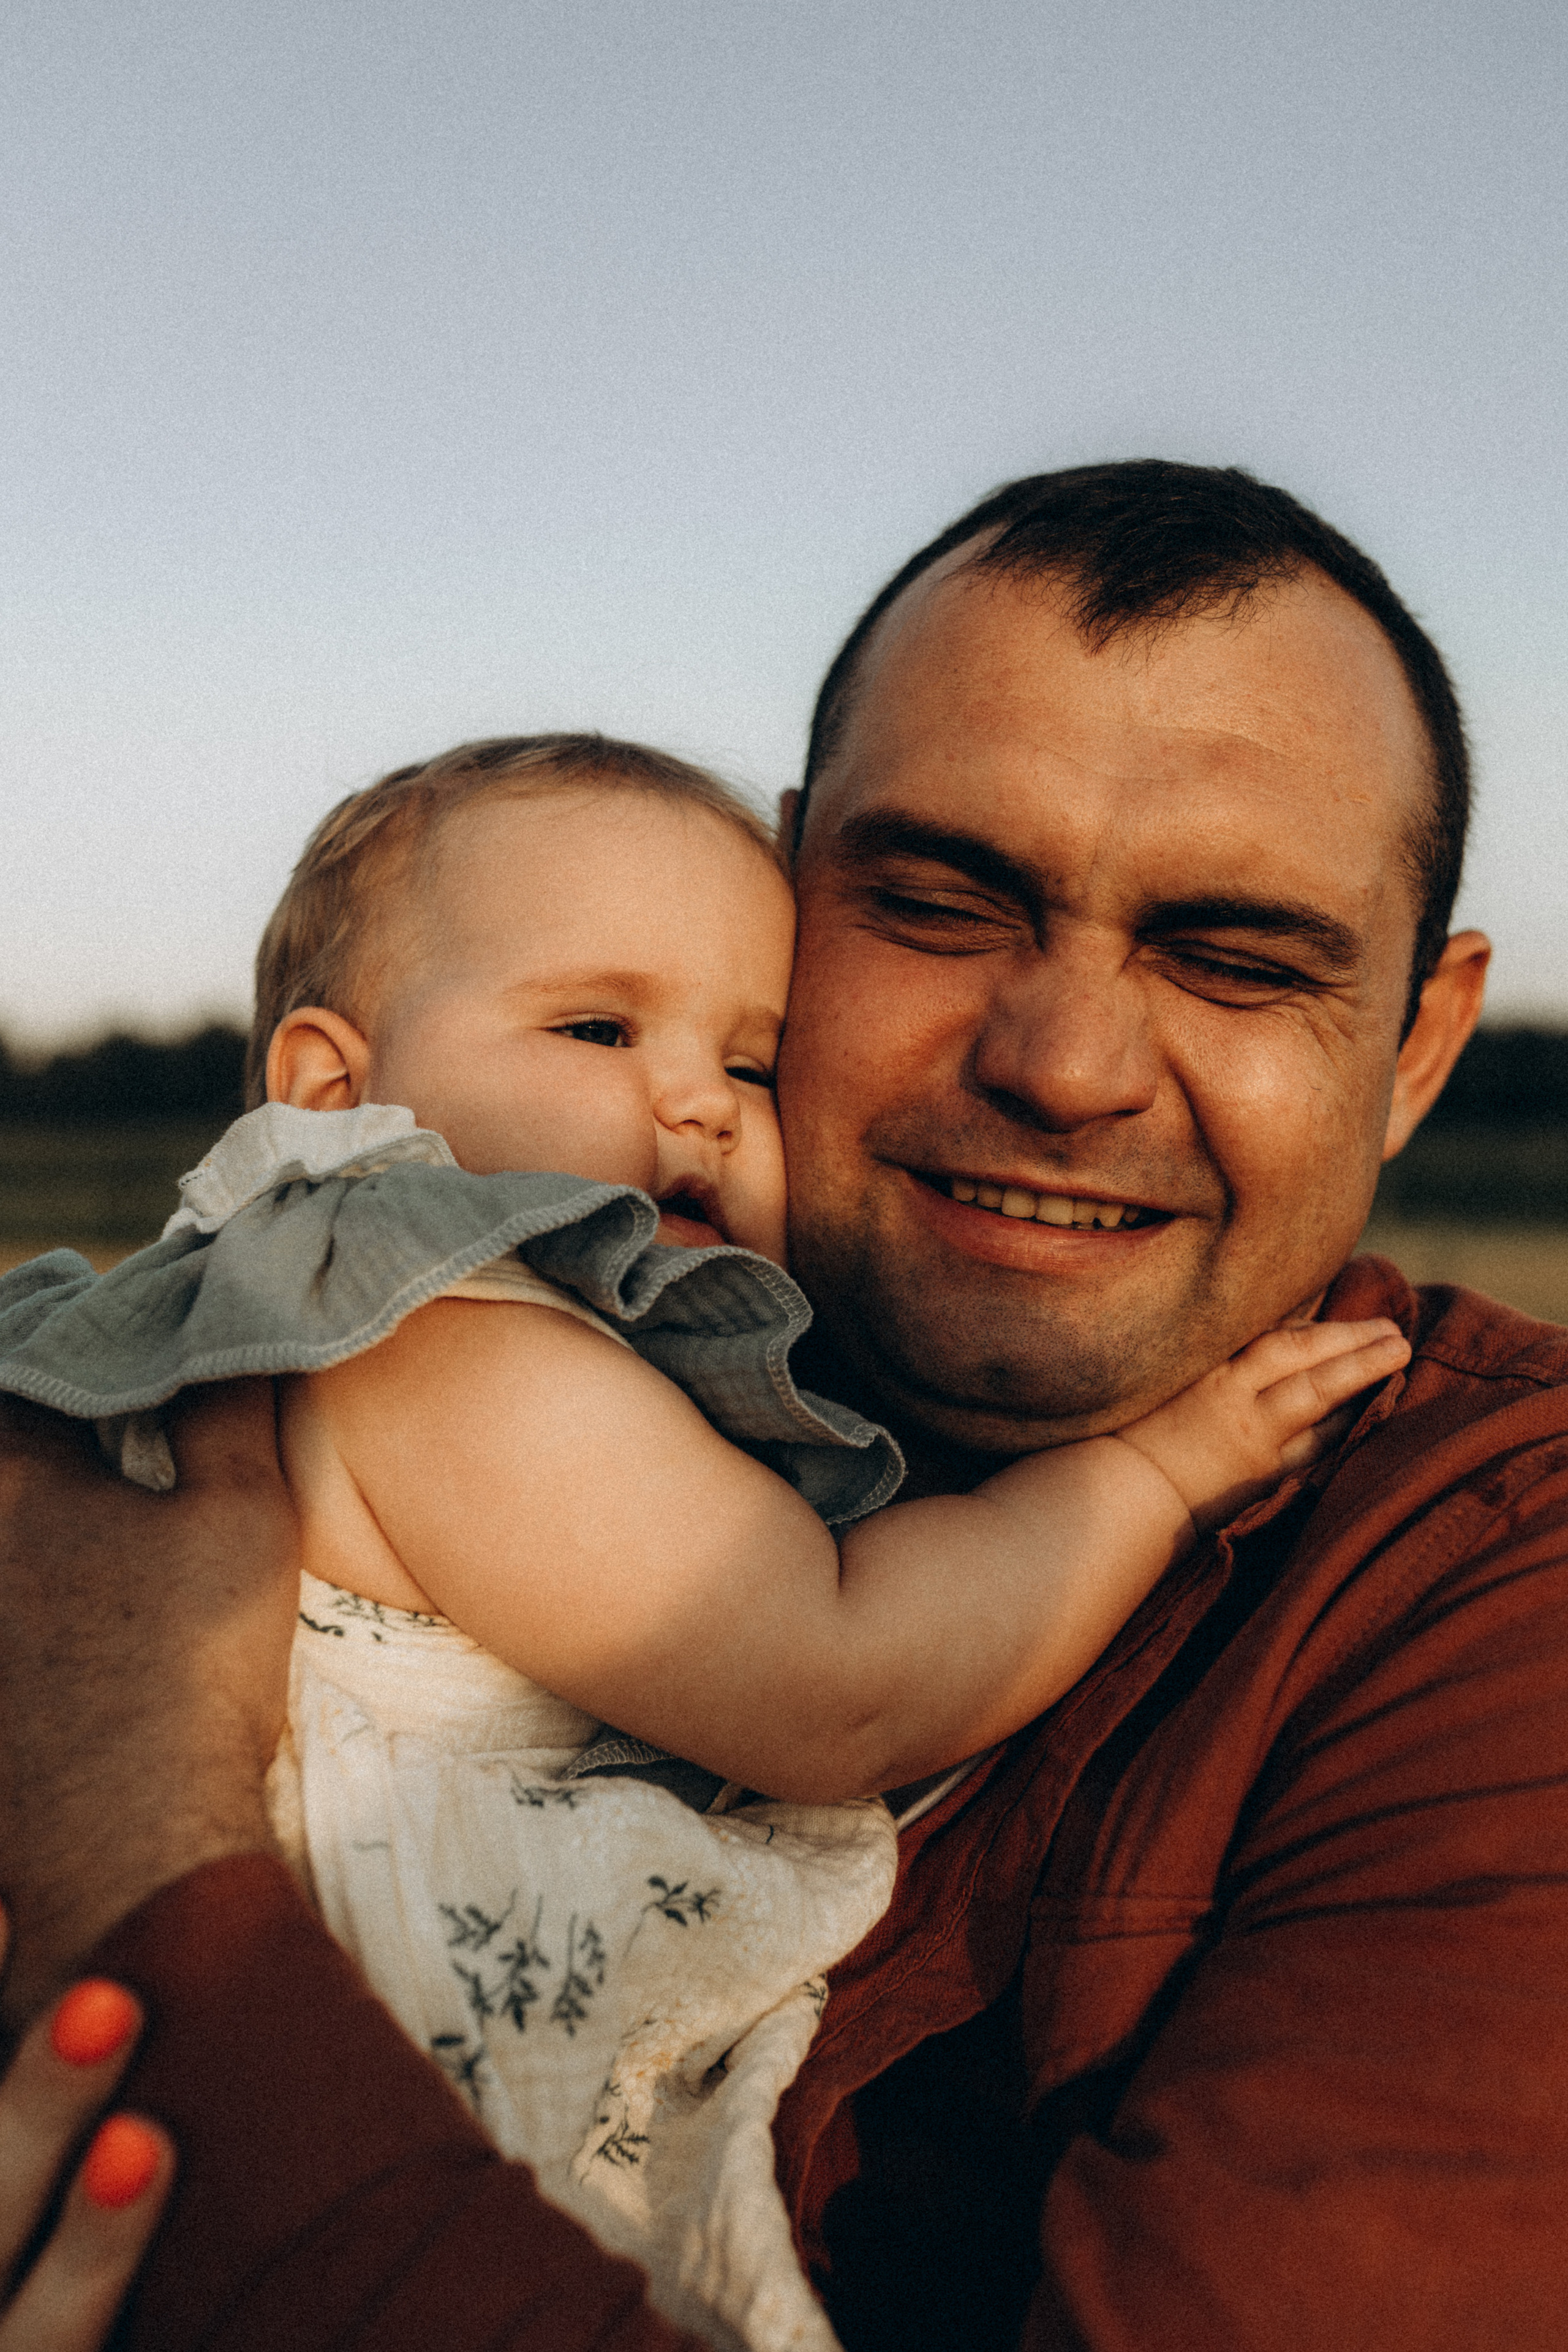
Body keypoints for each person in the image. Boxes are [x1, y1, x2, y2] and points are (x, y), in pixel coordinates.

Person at [2, 459, 1566, 2351]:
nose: (1066, 1067)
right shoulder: (490, 1341)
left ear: (1417, 1048)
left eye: (1234, 959)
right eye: (937, 904)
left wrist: (127, 1819)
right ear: (792, 891)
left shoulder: (1497, 1580)